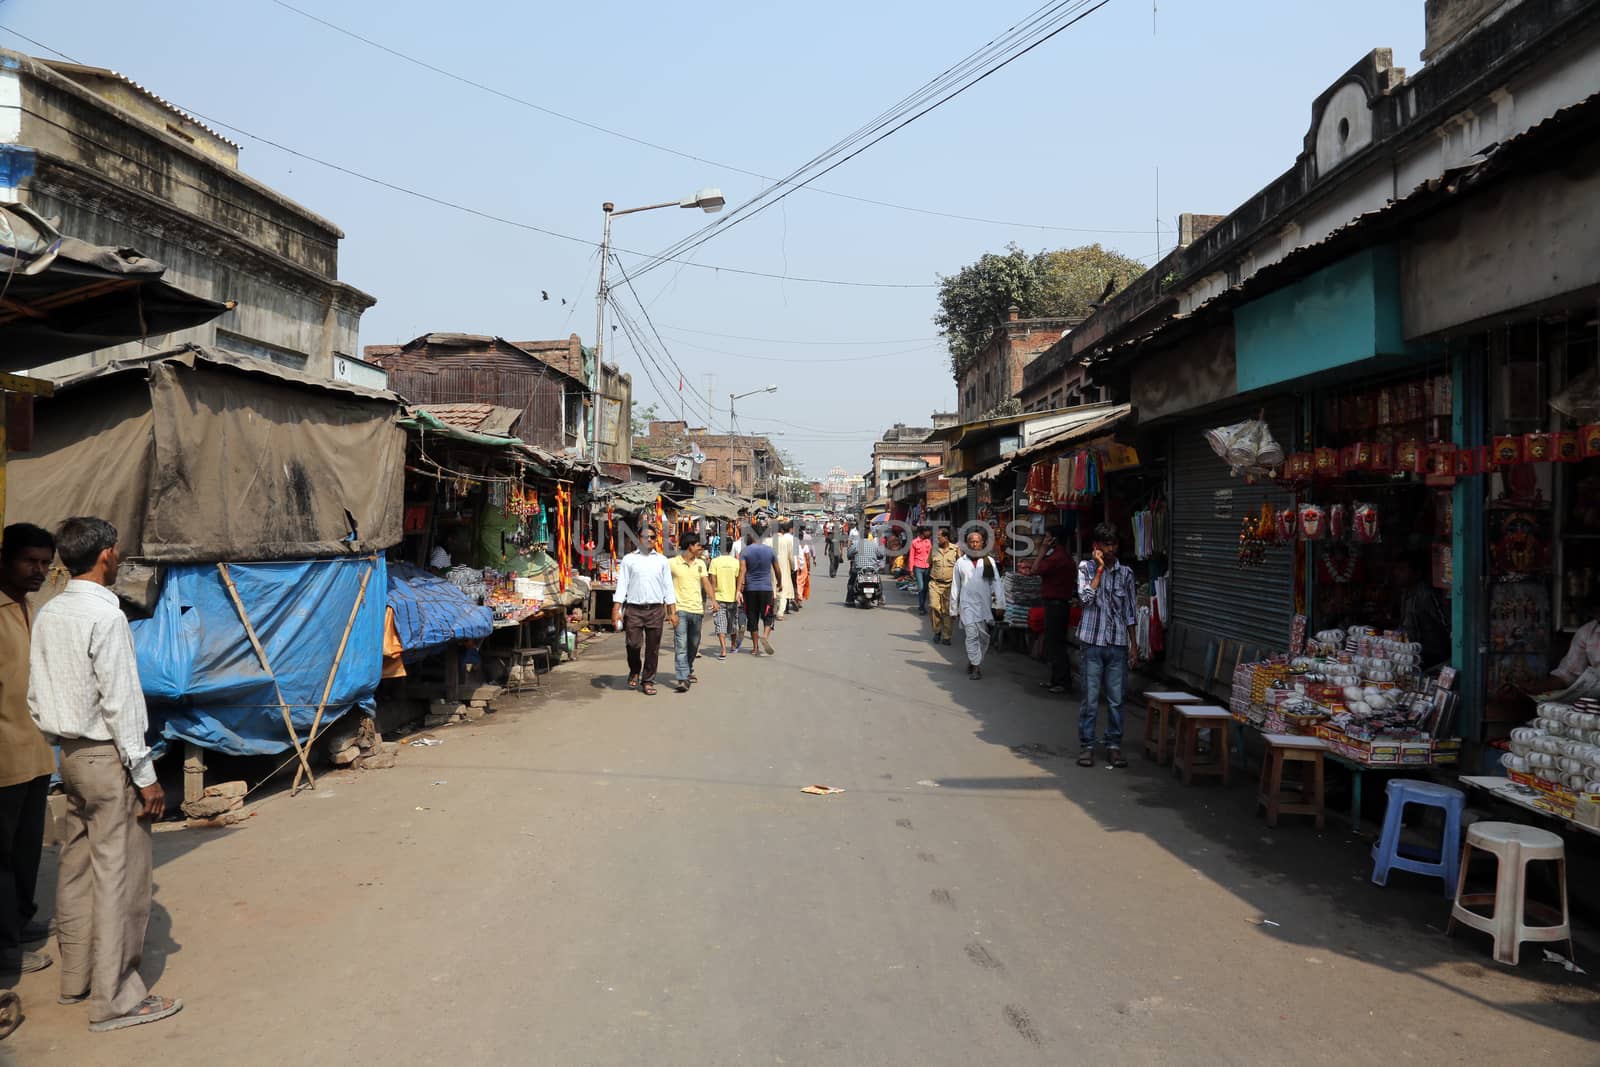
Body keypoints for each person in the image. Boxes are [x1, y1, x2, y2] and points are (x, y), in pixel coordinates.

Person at [29, 517, 182, 1032]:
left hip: (68, 756)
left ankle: (76, 980)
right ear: (107, 555)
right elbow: (120, 703)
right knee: (119, 876)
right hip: (105, 756)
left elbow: (36, 695)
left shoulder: (49, 611)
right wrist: (146, 775)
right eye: (115, 553)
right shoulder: (106, 616)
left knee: (75, 868)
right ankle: (114, 999)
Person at [0, 523, 59, 977]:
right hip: (3, 759)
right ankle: (5, 953)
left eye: (45, 562)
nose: (39, 570)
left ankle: (19, 922)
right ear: (6, 560)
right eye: (30, 562)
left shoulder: (27, 606)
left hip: (34, 753)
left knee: (25, 851)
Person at [1076, 522, 1139, 769]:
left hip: (1117, 645)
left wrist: (1134, 646)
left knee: (1116, 699)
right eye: (1105, 545)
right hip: (1092, 643)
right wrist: (1099, 571)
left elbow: (1131, 612)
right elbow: (1084, 599)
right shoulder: (1085, 568)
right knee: (1090, 699)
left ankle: (1113, 745)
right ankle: (1087, 746)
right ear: (1097, 547)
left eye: (1113, 544)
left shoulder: (1127, 574)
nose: (1110, 549)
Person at [612, 518, 676, 696]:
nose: (649, 540)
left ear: (656, 540)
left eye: (653, 537)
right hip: (633, 609)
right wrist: (616, 609)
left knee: (652, 648)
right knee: (633, 645)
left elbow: (668, 587)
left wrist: (672, 611)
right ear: (638, 538)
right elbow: (622, 585)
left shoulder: (662, 561)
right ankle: (634, 670)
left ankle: (648, 680)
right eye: (645, 537)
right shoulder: (629, 560)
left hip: (655, 610)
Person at [951, 531, 1007, 679]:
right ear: (967, 544)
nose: (975, 544)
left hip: (984, 605)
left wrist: (1001, 604)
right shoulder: (960, 562)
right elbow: (956, 586)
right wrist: (953, 608)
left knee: (983, 637)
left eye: (977, 541)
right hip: (966, 605)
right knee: (971, 635)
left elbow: (997, 584)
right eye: (972, 542)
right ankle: (976, 668)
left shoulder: (989, 561)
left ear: (982, 543)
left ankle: (973, 659)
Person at [669, 533, 715, 693]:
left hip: (697, 610)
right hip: (680, 609)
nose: (701, 548)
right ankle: (682, 678)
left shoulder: (701, 563)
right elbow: (664, 585)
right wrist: (669, 610)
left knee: (694, 644)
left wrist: (713, 600)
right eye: (698, 546)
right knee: (681, 645)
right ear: (690, 546)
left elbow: (706, 583)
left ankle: (687, 669)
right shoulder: (672, 563)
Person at [1033, 524, 1076, 694]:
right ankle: (1056, 679)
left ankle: (1062, 681)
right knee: (1054, 642)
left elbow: (1035, 569)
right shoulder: (1062, 557)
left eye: (1047, 537)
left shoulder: (1057, 558)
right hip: (1057, 605)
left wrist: (1043, 549)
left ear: (1054, 540)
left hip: (1056, 605)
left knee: (1056, 644)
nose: (1044, 540)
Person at [1393, 555, 1450, 670]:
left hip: (1431, 654)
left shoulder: (1426, 594)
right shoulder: (1405, 592)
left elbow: (1445, 622)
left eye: (1402, 570)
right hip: (1412, 653)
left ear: (1416, 574)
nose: (1397, 573)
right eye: (1397, 569)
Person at [738, 532, 780, 657]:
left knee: (752, 617)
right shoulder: (770, 551)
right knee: (768, 615)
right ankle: (765, 636)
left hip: (750, 589)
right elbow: (777, 569)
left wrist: (739, 589)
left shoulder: (745, 552)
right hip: (766, 588)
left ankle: (755, 648)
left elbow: (742, 571)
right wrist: (780, 582)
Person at [927, 527, 961, 646]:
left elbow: (960, 567)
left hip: (949, 585)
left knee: (947, 611)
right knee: (933, 606)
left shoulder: (956, 550)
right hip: (934, 583)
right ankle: (937, 631)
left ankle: (947, 636)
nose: (937, 539)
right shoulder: (934, 549)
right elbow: (929, 564)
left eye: (939, 537)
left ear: (946, 538)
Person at [707, 546, 743, 658]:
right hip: (732, 597)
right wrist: (738, 592)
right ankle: (732, 645)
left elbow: (713, 581)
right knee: (732, 622)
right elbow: (739, 580)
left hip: (719, 597)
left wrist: (712, 598)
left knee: (720, 623)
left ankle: (723, 649)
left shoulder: (715, 561)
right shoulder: (736, 562)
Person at [847, 527, 885, 603]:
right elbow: (881, 554)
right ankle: (880, 598)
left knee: (851, 582)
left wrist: (852, 555)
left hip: (859, 568)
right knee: (879, 582)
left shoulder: (856, 544)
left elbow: (849, 554)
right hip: (872, 569)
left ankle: (850, 600)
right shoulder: (874, 544)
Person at [773, 520, 797, 618]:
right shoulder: (787, 540)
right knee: (783, 590)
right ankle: (780, 612)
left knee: (773, 588)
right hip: (784, 566)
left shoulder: (769, 540)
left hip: (771, 567)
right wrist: (793, 567)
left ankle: (773, 610)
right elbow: (791, 556)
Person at [909, 527, 933, 615]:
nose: (929, 533)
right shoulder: (914, 542)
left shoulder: (928, 542)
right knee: (921, 587)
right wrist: (911, 570)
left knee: (926, 588)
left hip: (927, 567)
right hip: (918, 567)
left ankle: (922, 605)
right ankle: (922, 607)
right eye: (927, 531)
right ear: (923, 532)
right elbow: (911, 556)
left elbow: (931, 555)